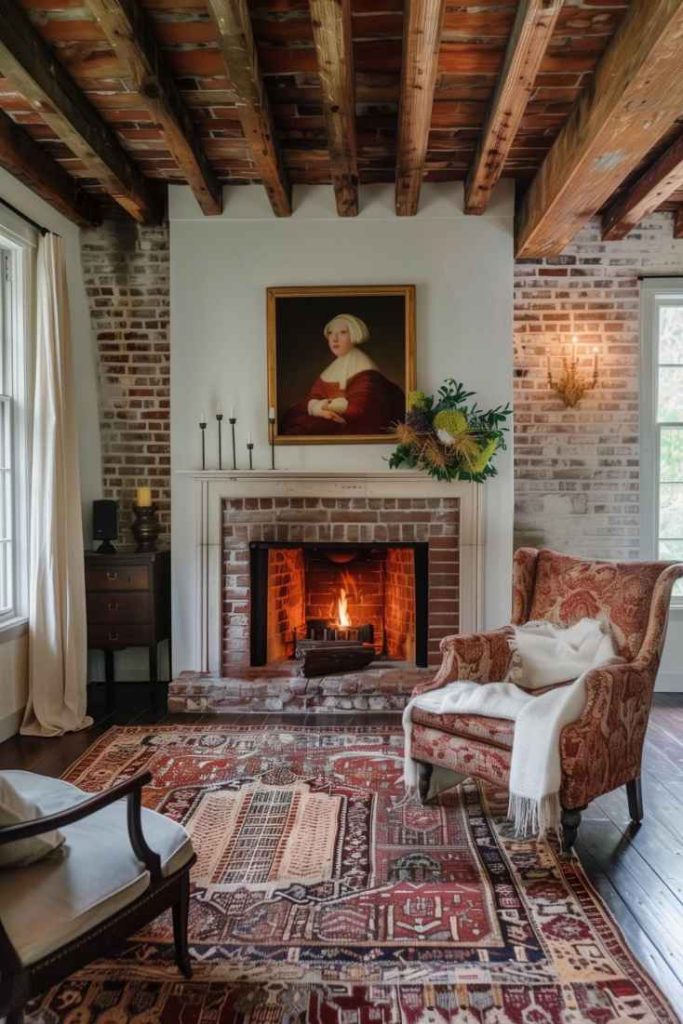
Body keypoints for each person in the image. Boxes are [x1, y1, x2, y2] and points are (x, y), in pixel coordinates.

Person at [281, 313, 405, 436]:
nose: (334, 339)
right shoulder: (331, 369)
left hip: (355, 426)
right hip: (332, 417)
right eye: (330, 333)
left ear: (354, 334)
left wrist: (326, 407)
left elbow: (362, 409)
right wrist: (317, 408)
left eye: (342, 332)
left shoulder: (365, 370)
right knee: (293, 418)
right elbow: (313, 397)